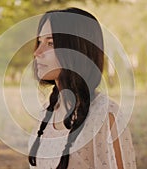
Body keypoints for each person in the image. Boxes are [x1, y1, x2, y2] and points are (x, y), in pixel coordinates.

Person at [28, 7, 136, 169]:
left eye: (50, 43)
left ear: (76, 50)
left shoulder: (105, 116)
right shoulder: (47, 112)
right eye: (39, 42)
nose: (37, 52)